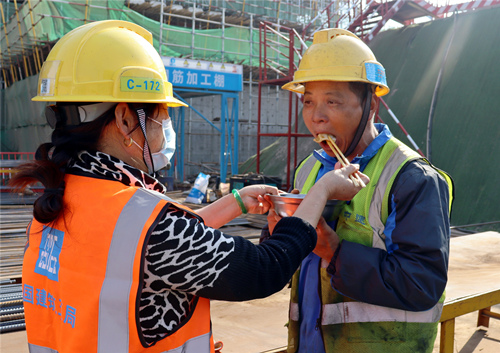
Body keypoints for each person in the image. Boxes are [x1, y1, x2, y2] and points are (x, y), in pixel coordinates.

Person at [11, 21, 369, 353]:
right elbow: (263, 270)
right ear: (124, 118)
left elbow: (138, 251)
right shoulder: (148, 224)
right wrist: (321, 192)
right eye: (161, 117)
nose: (165, 129)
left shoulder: (60, 199)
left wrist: (234, 204)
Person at [265, 28, 454, 352]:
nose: (316, 116)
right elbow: (288, 265)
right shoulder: (309, 170)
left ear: (371, 105)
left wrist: (334, 251)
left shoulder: (411, 177)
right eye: (308, 101)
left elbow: (421, 283)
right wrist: (278, 237)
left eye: (332, 101)